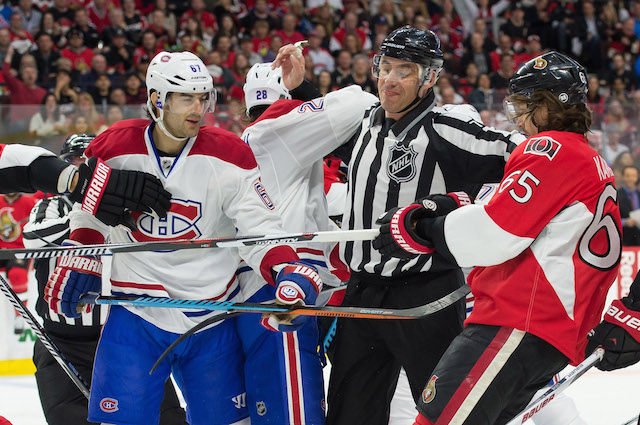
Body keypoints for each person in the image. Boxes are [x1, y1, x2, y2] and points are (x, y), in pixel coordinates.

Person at [46, 50, 325, 425]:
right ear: (157, 100)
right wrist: (83, 250)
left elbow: (259, 228)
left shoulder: (231, 154)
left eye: (203, 97)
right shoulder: (114, 146)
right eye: (186, 98)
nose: (198, 108)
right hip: (136, 314)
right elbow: (90, 208)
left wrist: (284, 266)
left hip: (210, 318)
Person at [279, 26, 527, 424]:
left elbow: (531, 158)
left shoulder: (449, 129)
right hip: (361, 293)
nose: (390, 79)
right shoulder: (362, 123)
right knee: (350, 414)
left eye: (405, 70)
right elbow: (322, 117)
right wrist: (299, 85)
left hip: (425, 296)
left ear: (429, 77)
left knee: (447, 414)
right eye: (385, 66)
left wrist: (464, 205)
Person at [374, 51, 620, 424]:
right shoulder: (592, 162)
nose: (517, 119)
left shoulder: (549, 149)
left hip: (518, 322)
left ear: (553, 104)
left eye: (524, 106)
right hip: (547, 331)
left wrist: (423, 229)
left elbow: (497, 231)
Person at [238, 61, 377, 424]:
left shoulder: (240, 145)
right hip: (288, 292)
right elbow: (360, 102)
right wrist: (305, 93)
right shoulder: (283, 127)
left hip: (247, 292)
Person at [23, 133, 188, 425]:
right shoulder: (51, 206)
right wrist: (94, 213)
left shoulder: (128, 206)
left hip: (124, 333)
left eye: (88, 160)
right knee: (67, 418)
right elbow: (33, 238)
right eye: (75, 160)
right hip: (62, 341)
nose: (81, 165)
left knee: (167, 418)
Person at [618, 165, 640, 246]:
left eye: (633, 176)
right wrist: (624, 222)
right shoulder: (616, 195)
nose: (631, 179)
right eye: (627, 176)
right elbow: (610, 218)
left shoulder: (638, 194)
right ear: (623, 177)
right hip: (623, 239)